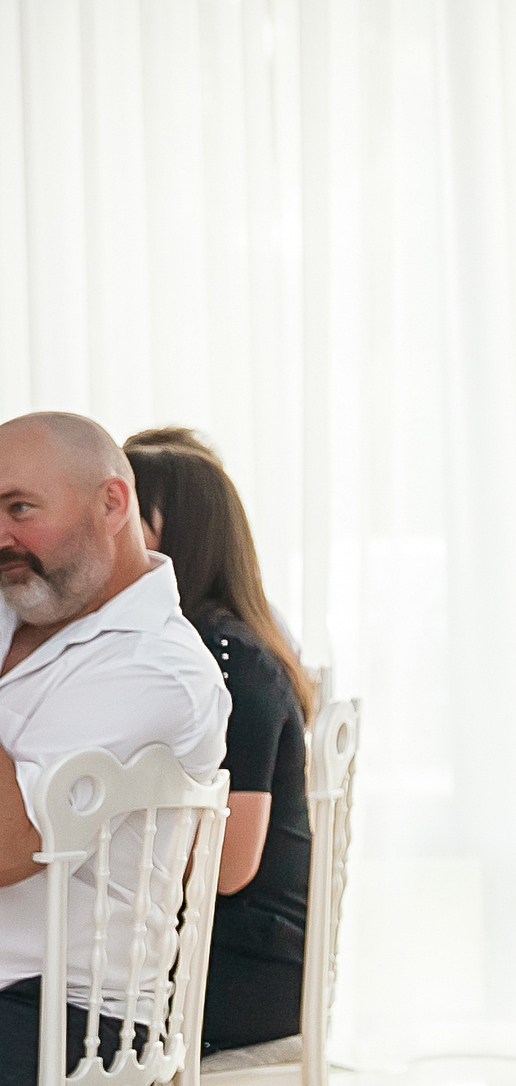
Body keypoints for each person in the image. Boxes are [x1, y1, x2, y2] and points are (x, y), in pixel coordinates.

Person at [0, 413, 230, 1086]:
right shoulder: (28, 616)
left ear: (113, 503)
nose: (2, 534)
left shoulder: (154, 667)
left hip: (71, 1016)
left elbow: (9, 849)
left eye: (20, 509)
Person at [125, 443, 318, 1053]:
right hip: (205, 947)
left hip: (242, 966)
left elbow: (230, 869)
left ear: (174, 533)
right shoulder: (195, 642)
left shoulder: (228, 660)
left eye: (127, 511)